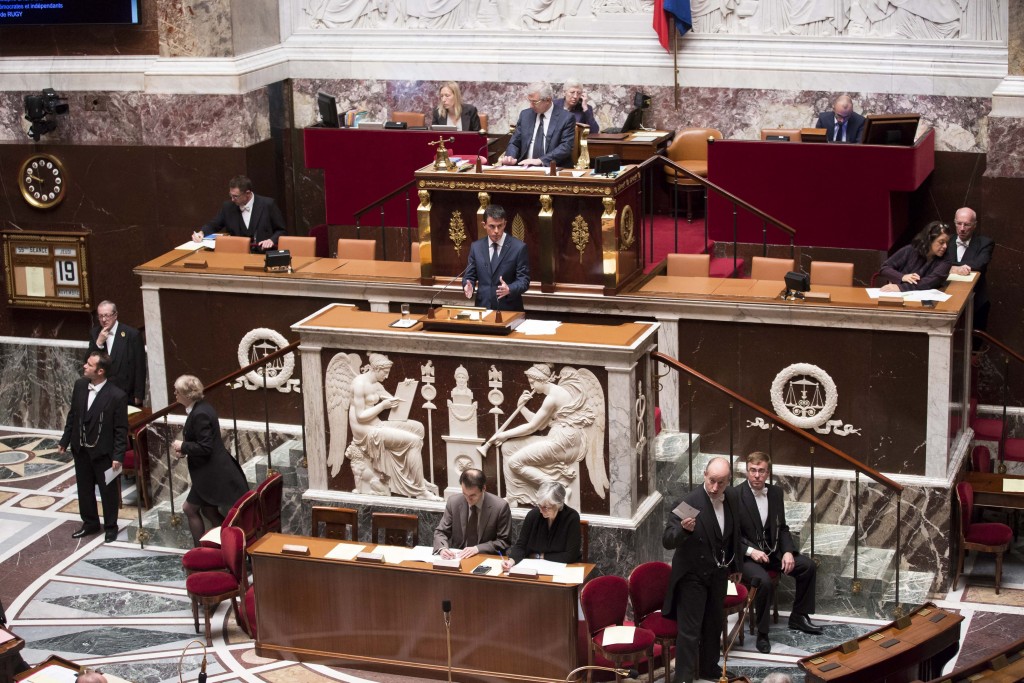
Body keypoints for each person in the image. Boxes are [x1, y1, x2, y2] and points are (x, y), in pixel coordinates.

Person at [727, 452, 821, 655]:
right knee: (764, 582)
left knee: (808, 566)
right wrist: (751, 551)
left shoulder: (776, 493)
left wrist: (787, 551)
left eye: (761, 471)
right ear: (747, 471)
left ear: (768, 473)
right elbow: (730, 536)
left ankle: (798, 616)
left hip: (773, 552)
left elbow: (783, 528)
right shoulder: (734, 495)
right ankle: (762, 634)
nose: (757, 475)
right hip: (747, 557)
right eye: (753, 470)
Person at [663, 457, 741, 683]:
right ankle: (684, 678)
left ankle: (709, 667)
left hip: (718, 573)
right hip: (692, 576)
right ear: (704, 475)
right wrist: (684, 532)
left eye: (722, 483)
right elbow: (667, 540)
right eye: (712, 481)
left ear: (729, 481)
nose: (716, 488)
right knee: (690, 630)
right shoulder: (689, 502)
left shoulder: (733, 496)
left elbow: (735, 532)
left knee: (714, 623)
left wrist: (736, 565)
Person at [492, 363, 598, 506]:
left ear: (541, 380)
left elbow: (532, 427)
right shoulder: (556, 393)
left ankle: (560, 489)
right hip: (559, 438)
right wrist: (521, 408)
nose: (531, 387)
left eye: (532, 382)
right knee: (507, 447)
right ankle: (513, 497)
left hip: (562, 443)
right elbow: (540, 424)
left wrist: (503, 434)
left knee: (515, 462)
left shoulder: (552, 397)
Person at [171, 374, 250, 546]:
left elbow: (206, 447)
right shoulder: (200, 408)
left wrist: (183, 446)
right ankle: (228, 547)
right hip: (210, 472)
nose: (175, 394)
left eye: (177, 391)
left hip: (213, 475)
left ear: (187, 395)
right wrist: (185, 450)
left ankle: (203, 551)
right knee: (208, 510)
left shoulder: (200, 413)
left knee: (189, 509)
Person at [348, 353, 439, 500]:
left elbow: (394, 401)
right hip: (365, 432)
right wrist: (382, 406)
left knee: (418, 428)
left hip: (376, 424)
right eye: (385, 372)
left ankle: (415, 476)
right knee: (414, 441)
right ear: (376, 369)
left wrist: (406, 387)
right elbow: (361, 416)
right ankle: (420, 491)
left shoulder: (376, 384)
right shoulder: (359, 384)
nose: (387, 376)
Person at [59, 352, 128, 544]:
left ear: (100, 371)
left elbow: (121, 429)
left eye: (89, 365)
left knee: (108, 492)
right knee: (84, 489)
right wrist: (65, 439)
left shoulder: (117, 396)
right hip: (81, 449)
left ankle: (111, 527)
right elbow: (73, 415)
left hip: (104, 452)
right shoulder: (80, 386)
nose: (84, 366)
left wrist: (118, 455)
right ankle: (89, 523)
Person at [462, 204, 530, 311]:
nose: (496, 231)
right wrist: (467, 285)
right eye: (492, 226)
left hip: (509, 309)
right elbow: (469, 276)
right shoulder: (476, 247)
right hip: (483, 309)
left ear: (505, 224)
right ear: (484, 225)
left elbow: (524, 280)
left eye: (500, 226)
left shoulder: (518, 248)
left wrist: (509, 289)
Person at [191, 175, 286, 251]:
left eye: (236, 196)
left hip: (263, 254)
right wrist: (201, 233)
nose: (232, 199)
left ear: (247, 193)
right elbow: (213, 225)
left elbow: (281, 230)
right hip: (237, 254)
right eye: (230, 195)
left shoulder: (268, 204)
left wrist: (271, 240)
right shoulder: (228, 207)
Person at [433, 468, 512, 559]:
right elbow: (441, 532)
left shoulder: (500, 507)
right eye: (464, 494)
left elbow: (504, 541)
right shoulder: (454, 502)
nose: (468, 499)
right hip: (459, 557)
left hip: (486, 558)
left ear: (483, 488)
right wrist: (442, 549)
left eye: (472, 495)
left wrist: (477, 549)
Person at [502, 481, 581, 568]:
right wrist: (511, 561)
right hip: (535, 568)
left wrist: (540, 556)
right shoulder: (533, 515)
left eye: (546, 507)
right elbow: (521, 546)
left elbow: (571, 555)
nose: (541, 510)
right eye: (539, 505)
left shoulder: (571, 517)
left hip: (564, 568)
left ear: (558, 505)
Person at [499, 81, 577, 167]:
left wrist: (540, 160)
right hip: (525, 168)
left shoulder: (566, 118)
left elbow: (565, 147)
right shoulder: (525, 115)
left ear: (548, 100)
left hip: (553, 169)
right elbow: (515, 143)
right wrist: (510, 157)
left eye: (534, 102)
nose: (531, 106)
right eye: (530, 101)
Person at [87, 300, 146, 407]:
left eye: (107, 316)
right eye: (100, 316)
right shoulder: (95, 333)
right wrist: (99, 343)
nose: (104, 320)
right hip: (101, 392)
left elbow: (140, 366)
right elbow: (87, 362)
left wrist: (139, 395)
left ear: (115, 315)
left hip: (125, 392)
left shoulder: (131, 334)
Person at [945, 206, 994, 332]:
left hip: (976, 300)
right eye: (959, 224)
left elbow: (979, 264)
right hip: (947, 297)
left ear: (974, 225)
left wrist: (951, 266)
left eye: (966, 225)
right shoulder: (945, 241)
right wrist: (954, 267)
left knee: (975, 340)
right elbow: (934, 262)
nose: (962, 229)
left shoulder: (985, 243)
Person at [879, 221, 953, 292]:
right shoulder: (911, 250)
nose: (945, 246)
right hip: (899, 296)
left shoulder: (946, 260)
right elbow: (884, 268)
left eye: (947, 243)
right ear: (929, 239)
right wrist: (902, 277)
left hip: (925, 297)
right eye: (941, 242)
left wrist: (900, 288)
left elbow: (930, 282)